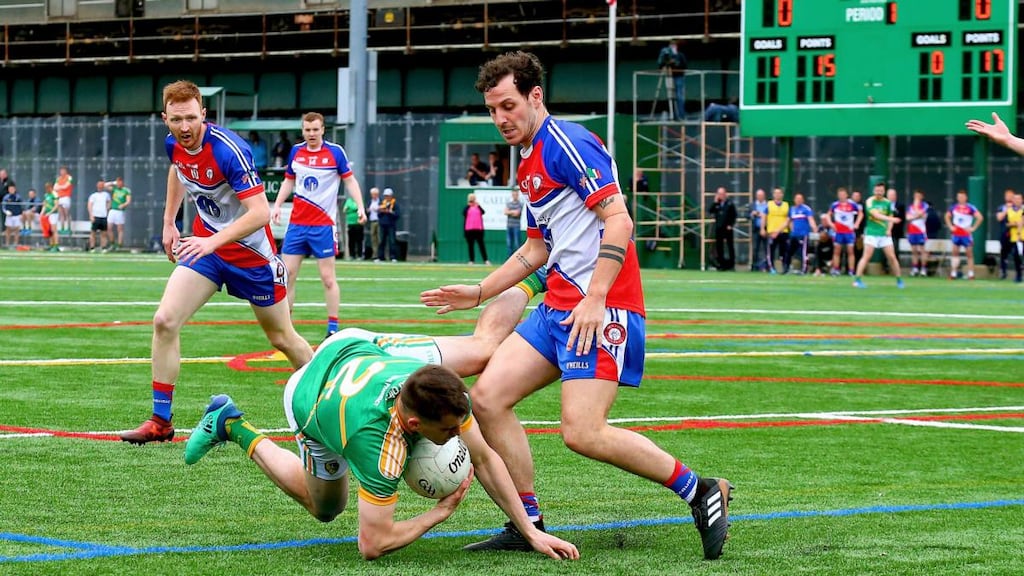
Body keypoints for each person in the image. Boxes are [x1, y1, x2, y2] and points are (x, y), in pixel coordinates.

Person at [421, 51, 732, 561]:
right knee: (487, 399)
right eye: (493, 110)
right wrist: (478, 292)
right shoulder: (526, 161)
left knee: (582, 432)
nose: (501, 119)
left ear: (535, 95)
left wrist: (596, 298)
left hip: (603, 308)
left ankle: (700, 490)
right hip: (560, 306)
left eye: (508, 105)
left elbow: (620, 223)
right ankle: (528, 523)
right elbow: (536, 248)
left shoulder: (568, 143)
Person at [182, 334, 579, 561]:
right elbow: (373, 544)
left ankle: (536, 276)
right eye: (448, 432)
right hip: (310, 396)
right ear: (412, 425)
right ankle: (231, 424)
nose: (458, 435)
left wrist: (531, 532)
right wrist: (438, 514)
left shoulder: (443, 393)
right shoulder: (378, 450)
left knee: (484, 347)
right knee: (325, 509)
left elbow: (485, 456)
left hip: (355, 346)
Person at [119, 80, 314, 445]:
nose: (185, 127)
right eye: (176, 120)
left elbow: (259, 213)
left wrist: (212, 242)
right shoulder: (174, 144)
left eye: (192, 118)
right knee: (164, 320)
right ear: (166, 119)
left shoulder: (230, 151)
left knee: (283, 337)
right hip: (205, 249)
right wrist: (169, 222)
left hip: (252, 257)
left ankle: (333, 400)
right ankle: (161, 421)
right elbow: (177, 169)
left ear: (204, 115)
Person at [271, 111, 366, 339]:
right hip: (297, 225)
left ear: (323, 129)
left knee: (328, 278)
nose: (312, 133)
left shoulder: (335, 152)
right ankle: (287, 325)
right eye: (307, 130)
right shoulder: (296, 151)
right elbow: (288, 181)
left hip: (323, 225)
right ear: (303, 131)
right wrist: (277, 205)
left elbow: (350, 181)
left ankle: (333, 326)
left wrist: (360, 206)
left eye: (315, 129)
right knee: (287, 275)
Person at [852, 182, 904, 288]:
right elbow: (876, 215)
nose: (879, 193)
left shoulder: (887, 203)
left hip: (884, 235)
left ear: (884, 191)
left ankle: (899, 280)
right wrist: (892, 219)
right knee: (866, 256)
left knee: (892, 257)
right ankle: (857, 280)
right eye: (877, 190)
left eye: (881, 191)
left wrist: (889, 229)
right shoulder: (870, 201)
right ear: (873, 191)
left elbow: (889, 216)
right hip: (872, 233)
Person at [944, 189, 983, 280]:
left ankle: (971, 273)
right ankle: (953, 273)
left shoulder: (970, 207)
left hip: (966, 233)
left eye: (962, 196)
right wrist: (950, 226)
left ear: (966, 197)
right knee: (955, 252)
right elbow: (947, 216)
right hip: (956, 232)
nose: (960, 198)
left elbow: (980, 217)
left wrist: (973, 228)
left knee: (969, 253)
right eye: (959, 196)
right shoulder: (954, 207)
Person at [828, 187, 862, 276]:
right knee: (837, 251)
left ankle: (851, 271)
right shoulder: (835, 205)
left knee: (850, 251)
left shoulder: (852, 205)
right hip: (838, 232)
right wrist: (831, 224)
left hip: (849, 232)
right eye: (840, 195)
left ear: (846, 195)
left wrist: (856, 224)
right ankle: (836, 270)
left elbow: (860, 214)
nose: (842, 196)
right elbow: (828, 215)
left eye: (843, 194)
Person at [784, 193, 816, 274]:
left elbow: (811, 220)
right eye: (797, 199)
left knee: (803, 252)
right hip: (794, 235)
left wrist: (815, 229)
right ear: (794, 200)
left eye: (800, 199)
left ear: (802, 200)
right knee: (788, 251)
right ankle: (786, 268)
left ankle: (804, 269)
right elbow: (788, 221)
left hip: (803, 235)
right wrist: (778, 231)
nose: (798, 200)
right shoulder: (792, 209)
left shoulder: (806, 209)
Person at [656, 39, 687, 120]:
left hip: (678, 77)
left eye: (674, 45)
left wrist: (675, 62)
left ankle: (681, 115)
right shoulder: (667, 54)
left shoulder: (680, 55)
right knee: (671, 95)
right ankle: (673, 115)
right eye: (671, 46)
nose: (672, 47)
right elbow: (660, 63)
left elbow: (684, 65)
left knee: (679, 96)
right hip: (669, 76)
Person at [763, 187, 790, 274]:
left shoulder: (786, 205)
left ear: (782, 194)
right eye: (776, 193)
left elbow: (788, 220)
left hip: (783, 232)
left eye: (779, 193)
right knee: (771, 251)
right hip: (772, 232)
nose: (778, 195)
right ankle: (771, 268)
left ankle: (784, 268)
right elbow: (764, 217)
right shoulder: (769, 204)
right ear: (773, 194)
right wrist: (763, 228)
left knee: (784, 251)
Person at [709, 186, 736, 270]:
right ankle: (721, 264)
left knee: (730, 246)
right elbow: (710, 211)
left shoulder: (730, 204)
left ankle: (731, 264)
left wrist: (730, 225)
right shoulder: (717, 204)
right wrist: (715, 202)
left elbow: (734, 215)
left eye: (722, 194)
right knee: (719, 247)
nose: (720, 195)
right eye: (719, 194)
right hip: (719, 228)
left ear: (725, 194)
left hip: (727, 228)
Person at [905, 190, 930, 277]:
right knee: (914, 250)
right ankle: (915, 268)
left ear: (921, 196)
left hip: (921, 231)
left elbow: (922, 215)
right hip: (912, 230)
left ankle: (923, 269)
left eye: (919, 196)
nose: (917, 197)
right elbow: (908, 217)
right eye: (916, 196)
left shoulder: (924, 205)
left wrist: (915, 214)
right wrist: (916, 216)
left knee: (922, 250)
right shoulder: (910, 207)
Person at [105, 176, 132, 250]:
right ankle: (112, 243)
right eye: (117, 182)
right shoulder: (115, 189)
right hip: (112, 210)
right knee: (108, 228)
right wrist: (113, 182)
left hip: (120, 211)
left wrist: (123, 205)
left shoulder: (126, 190)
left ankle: (119, 245)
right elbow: (105, 185)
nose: (118, 183)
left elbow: (128, 201)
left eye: (119, 182)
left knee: (120, 229)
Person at [463, 193, 490, 265]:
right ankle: (471, 260)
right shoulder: (467, 207)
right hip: (469, 229)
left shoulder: (478, 207)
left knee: (481, 245)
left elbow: (483, 212)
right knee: (470, 245)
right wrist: (469, 205)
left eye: (473, 199)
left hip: (478, 229)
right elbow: (464, 213)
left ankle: (486, 260)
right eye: (471, 199)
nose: (472, 200)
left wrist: (478, 205)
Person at [995, 189, 1015, 279]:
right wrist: (1007, 210)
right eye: (1007, 196)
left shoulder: (1018, 207)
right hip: (1005, 233)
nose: (1009, 198)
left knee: (1017, 252)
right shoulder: (1001, 207)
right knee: (1004, 253)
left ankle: (1019, 272)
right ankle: (1003, 272)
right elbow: (999, 218)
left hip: (1016, 233)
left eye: (1011, 196)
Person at [87, 180, 112, 252]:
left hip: (103, 216)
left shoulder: (106, 195)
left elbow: (109, 202)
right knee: (93, 233)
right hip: (95, 216)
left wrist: (107, 210)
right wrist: (91, 215)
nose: (100, 186)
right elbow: (89, 205)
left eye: (101, 185)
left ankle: (103, 247)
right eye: (99, 185)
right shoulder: (93, 195)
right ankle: (92, 248)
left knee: (103, 233)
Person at [1004, 191, 1024, 283]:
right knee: (1016, 257)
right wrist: (1014, 224)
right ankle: (1018, 275)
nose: (1017, 200)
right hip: (1015, 237)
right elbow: (1006, 223)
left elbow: (1021, 222)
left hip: (1022, 236)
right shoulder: (1009, 210)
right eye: (1015, 199)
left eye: (1019, 199)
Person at [885, 188, 905, 273]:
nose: (891, 197)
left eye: (893, 195)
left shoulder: (900, 206)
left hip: (895, 232)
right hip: (884, 232)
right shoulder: (884, 205)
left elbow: (901, 218)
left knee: (895, 250)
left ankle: (895, 269)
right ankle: (885, 267)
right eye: (890, 195)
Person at [377, 187, 400, 262]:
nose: (386, 197)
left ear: (391, 196)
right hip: (383, 224)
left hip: (391, 225)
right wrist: (381, 211)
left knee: (392, 241)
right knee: (381, 241)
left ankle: (393, 257)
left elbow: (397, 215)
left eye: (388, 196)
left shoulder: (395, 204)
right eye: (385, 196)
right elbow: (379, 215)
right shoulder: (382, 203)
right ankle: (381, 257)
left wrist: (390, 212)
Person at [749, 188, 768, 271]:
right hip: (756, 229)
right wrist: (752, 214)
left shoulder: (768, 205)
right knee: (755, 248)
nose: (760, 197)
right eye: (758, 195)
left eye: (761, 195)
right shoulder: (752, 205)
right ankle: (754, 267)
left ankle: (768, 266)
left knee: (767, 248)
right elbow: (747, 215)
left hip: (766, 229)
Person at [39, 182, 60, 252]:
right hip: (47, 214)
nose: (47, 189)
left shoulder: (54, 194)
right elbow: (45, 205)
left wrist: (50, 212)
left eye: (48, 188)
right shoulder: (46, 195)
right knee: (50, 230)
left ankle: (56, 245)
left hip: (53, 214)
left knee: (54, 230)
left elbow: (56, 205)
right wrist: (42, 213)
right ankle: (51, 245)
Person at [54, 165, 74, 234]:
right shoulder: (58, 178)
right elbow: (55, 188)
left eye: (63, 170)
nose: (62, 172)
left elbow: (66, 186)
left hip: (66, 197)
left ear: (66, 171)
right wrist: (61, 187)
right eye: (61, 170)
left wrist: (60, 187)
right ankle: (62, 228)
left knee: (66, 213)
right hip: (59, 197)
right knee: (61, 213)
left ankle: (68, 228)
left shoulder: (69, 177)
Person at [504, 187, 524, 257]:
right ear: (512, 195)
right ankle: (509, 259)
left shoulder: (520, 204)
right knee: (509, 244)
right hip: (509, 226)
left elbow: (517, 213)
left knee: (517, 243)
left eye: (516, 194)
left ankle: (518, 259)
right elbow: (505, 212)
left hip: (516, 226)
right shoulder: (509, 203)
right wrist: (513, 212)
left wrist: (510, 212)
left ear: (518, 195)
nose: (514, 196)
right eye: (513, 194)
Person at [343, 194, 364, 260]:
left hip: (358, 223)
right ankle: (352, 255)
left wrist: (351, 209)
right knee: (351, 240)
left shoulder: (359, 201)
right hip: (350, 223)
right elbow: (345, 210)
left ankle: (360, 255)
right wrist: (353, 209)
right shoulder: (348, 201)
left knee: (359, 240)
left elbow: (359, 209)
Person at [2, 180, 22, 248]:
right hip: (9, 216)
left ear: (15, 189)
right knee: (8, 230)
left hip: (17, 215)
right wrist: (6, 211)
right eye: (10, 189)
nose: (11, 190)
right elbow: (3, 207)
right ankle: (7, 244)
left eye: (13, 189)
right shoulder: (6, 197)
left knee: (17, 230)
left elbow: (21, 205)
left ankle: (15, 244)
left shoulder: (18, 197)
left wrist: (21, 214)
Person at [365, 186, 380, 260]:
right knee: (373, 239)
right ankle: (375, 255)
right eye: (372, 194)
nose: (373, 195)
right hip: (372, 221)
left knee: (379, 238)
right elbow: (366, 210)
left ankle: (381, 255)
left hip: (379, 221)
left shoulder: (381, 201)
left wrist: (379, 209)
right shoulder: (369, 202)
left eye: (375, 194)